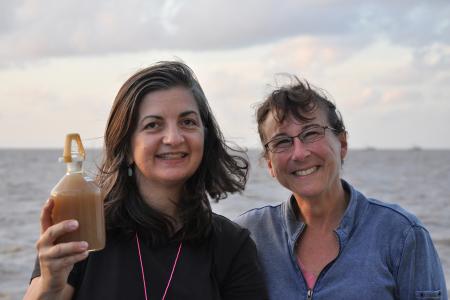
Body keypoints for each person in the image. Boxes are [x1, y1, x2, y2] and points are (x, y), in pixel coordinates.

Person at [24, 61, 267, 300]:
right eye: (153, 125)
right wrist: (50, 286)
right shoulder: (85, 230)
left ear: (205, 136)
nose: (173, 138)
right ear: (127, 146)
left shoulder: (231, 245)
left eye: (188, 122)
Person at [235, 77, 447, 299]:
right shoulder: (248, 236)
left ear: (342, 144)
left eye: (311, 133)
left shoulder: (402, 235)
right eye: (282, 142)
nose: (299, 153)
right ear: (269, 163)